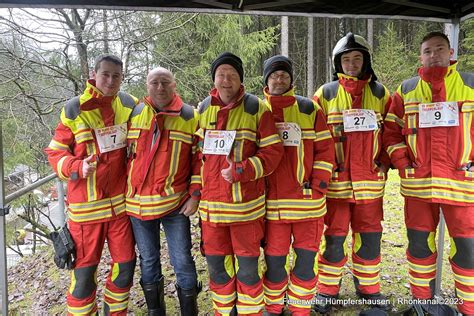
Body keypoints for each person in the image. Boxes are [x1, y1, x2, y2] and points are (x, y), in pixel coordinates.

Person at [383, 31, 474, 316]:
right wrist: (402, 163)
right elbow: (390, 133)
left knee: (468, 251)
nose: (433, 55)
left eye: (439, 49)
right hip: (419, 187)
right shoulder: (406, 90)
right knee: (420, 248)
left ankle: (468, 308)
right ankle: (421, 304)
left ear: (451, 53)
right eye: (427, 51)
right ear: (420, 56)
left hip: (462, 186)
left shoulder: (471, 84)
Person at [191, 52, 284, 315]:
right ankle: (224, 312)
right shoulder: (203, 109)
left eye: (232, 75)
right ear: (214, 79)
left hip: (246, 211)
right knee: (217, 270)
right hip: (212, 213)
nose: (226, 80)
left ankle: (250, 312)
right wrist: (195, 193)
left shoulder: (256, 108)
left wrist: (242, 169)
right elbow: (197, 157)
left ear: (240, 80)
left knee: (247, 270)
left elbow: (273, 153)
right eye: (221, 74)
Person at [45, 54, 137, 315]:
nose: (110, 80)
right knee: (84, 276)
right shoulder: (74, 108)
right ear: (93, 74)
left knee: (125, 266)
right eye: (105, 74)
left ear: (122, 78)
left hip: (119, 209)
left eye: (116, 75)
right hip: (85, 212)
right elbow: (56, 152)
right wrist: (77, 167)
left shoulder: (130, 104)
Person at [312, 33, 392, 314]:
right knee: (333, 238)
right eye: (346, 59)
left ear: (366, 60)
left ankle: (369, 289)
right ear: (338, 63)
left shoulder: (381, 94)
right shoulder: (326, 93)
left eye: (357, 58)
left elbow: (391, 132)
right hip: (336, 186)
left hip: (370, 185)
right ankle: (327, 291)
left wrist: (384, 164)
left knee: (369, 237)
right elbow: (316, 138)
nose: (352, 64)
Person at [261, 55, 335, 315]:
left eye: (284, 75)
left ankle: (300, 308)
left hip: (308, 205)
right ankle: (272, 307)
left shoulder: (309, 109)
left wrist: (318, 186)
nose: (279, 79)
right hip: (271, 208)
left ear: (291, 79)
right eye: (274, 75)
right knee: (275, 262)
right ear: (266, 80)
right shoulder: (257, 109)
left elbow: (326, 151)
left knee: (306, 261)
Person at [126, 67, 200, 315]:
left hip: (175, 205)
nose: (160, 87)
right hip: (138, 206)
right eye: (154, 82)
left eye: (165, 82)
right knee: (148, 259)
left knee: (182, 260)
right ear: (146, 85)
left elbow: (199, 160)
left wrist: (195, 194)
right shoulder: (134, 114)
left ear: (174, 84)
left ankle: (189, 310)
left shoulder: (190, 116)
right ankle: (155, 311)